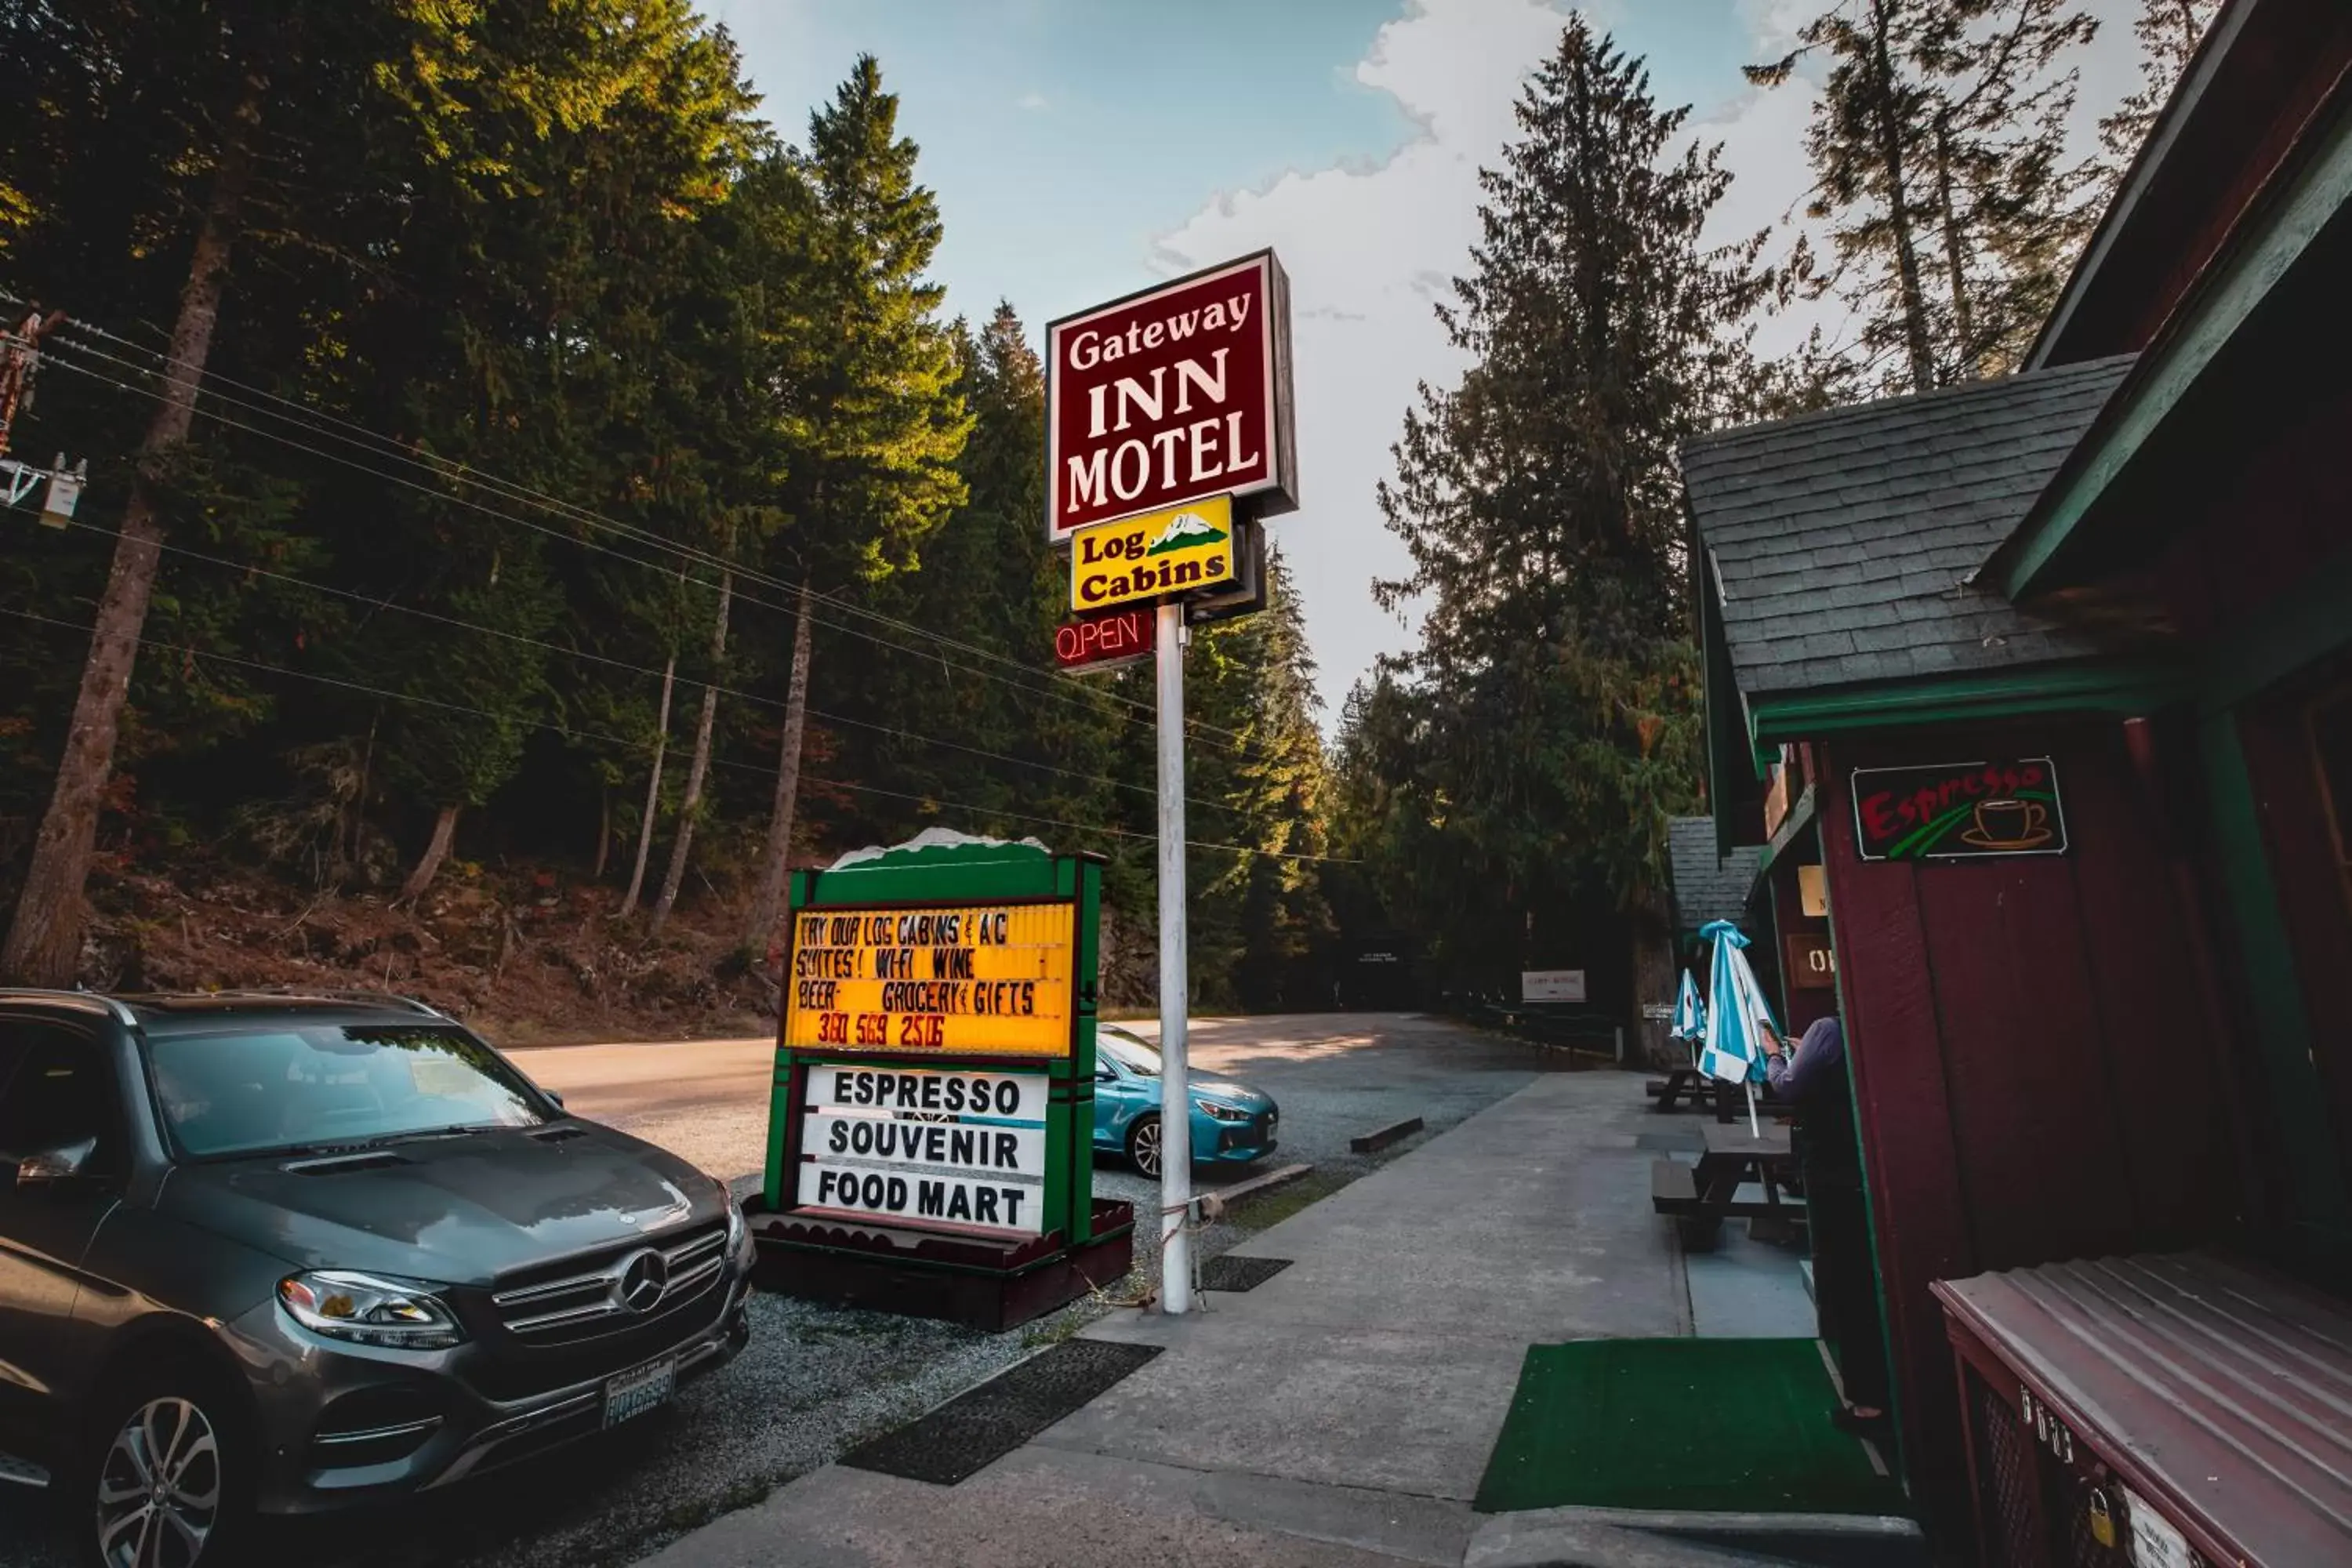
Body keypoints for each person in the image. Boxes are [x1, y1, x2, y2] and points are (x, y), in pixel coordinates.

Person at [1762, 1015, 1893, 1439]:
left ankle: (1869, 1404)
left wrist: (1775, 1056)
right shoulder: (1856, 1031)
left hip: (1834, 1174)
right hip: (1870, 1168)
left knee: (1847, 1283)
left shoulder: (1827, 1030)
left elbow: (1787, 1087)